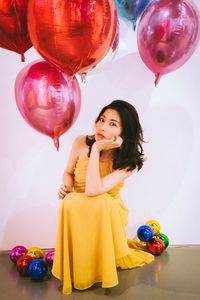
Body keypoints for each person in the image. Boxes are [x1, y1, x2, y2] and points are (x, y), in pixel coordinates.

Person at [52, 99, 154, 294]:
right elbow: (68, 172)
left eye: (112, 124)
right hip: (82, 205)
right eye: (102, 119)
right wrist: (67, 185)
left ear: (124, 134)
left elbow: (93, 190)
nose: (102, 127)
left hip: (108, 211)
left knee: (101, 202)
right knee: (71, 200)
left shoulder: (128, 162)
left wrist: (97, 149)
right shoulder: (81, 142)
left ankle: (98, 266)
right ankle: (79, 264)